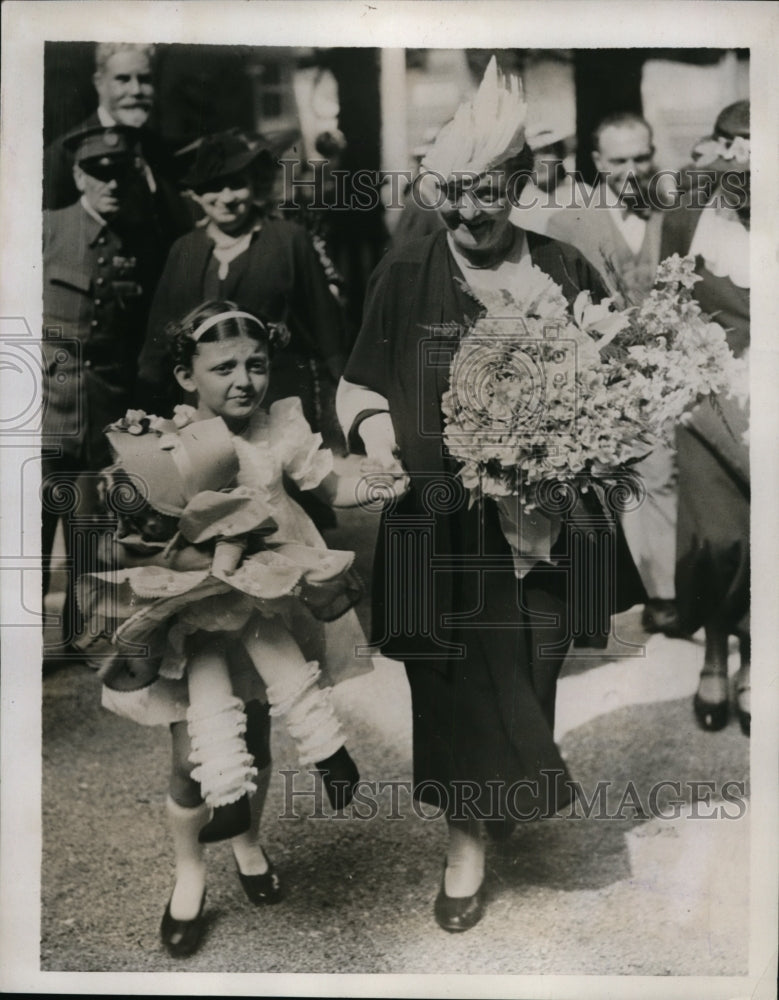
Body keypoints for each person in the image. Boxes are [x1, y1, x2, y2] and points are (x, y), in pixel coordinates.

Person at [337, 57, 644, 933]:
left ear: (520, 183)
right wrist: (378, 440)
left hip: (549, 525)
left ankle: (503, 786)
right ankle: (465, 842)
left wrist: (595, 437)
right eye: (452, 195)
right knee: (461, 676)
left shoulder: (563, 268)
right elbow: (359, 381)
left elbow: (615, 381)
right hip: (443, 523)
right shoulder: (405, 273)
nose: (467, 214)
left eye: (486, 194)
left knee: (534, 662)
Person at [76, 302, 397, 957]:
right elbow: (138, 521)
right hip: (193, 614)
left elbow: (329, 483)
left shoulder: (279, 429)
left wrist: (377, 486)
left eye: (256, 365)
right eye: (223, 368)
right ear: (186, 375)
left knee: (259, 728)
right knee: (190, 757)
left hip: (270, 601)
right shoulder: (168, 439)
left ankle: (248, 841)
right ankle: (189, 873)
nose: (243, 380)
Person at [546, 112, 682, 638]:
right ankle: (598, 592)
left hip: (673, 374)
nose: (632, 169)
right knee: (598, 485)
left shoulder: (676, 215)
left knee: (661, 476)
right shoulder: (568, 223)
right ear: (598, 164)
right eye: (619, 160)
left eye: (641, 157)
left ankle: (664, 593)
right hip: (600, 375)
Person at [41, 124, 168, 660]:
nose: (110, 185)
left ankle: (81, 636)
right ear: (77, 175)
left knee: (90, 529)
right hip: (44, 407)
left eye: (120, 175)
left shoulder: (139, 243)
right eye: (99, 174)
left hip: (102, 408)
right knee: (32, 527)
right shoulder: (46, 229)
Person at [136, 129, 347, 444]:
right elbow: (158, 340)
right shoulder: (184, 249)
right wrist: (147, 403)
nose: (226, 197)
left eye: (236, 184)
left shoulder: (289, 240)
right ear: (195, 194)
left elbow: (328, 329)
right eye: (212, 188)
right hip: (203, 415)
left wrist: (344, 402)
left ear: (254, 185)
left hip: (276, 403)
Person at [661, 101, 751, 735]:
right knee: (716, 541)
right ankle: (714, 649)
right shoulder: (689, 210)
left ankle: (750, 663)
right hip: (707, 398)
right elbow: (665, 302)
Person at [43, 42, 190, 246]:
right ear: (99, 83)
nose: (136, 90)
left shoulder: (158, 150)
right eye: (123, 79)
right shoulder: (64, 154)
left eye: (145, 79)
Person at [509, 122, 593, 235]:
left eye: (545, 153)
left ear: (560, 155)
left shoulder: (582, 194)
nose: (539, 162)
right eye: (533, 155)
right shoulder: (519, 203)